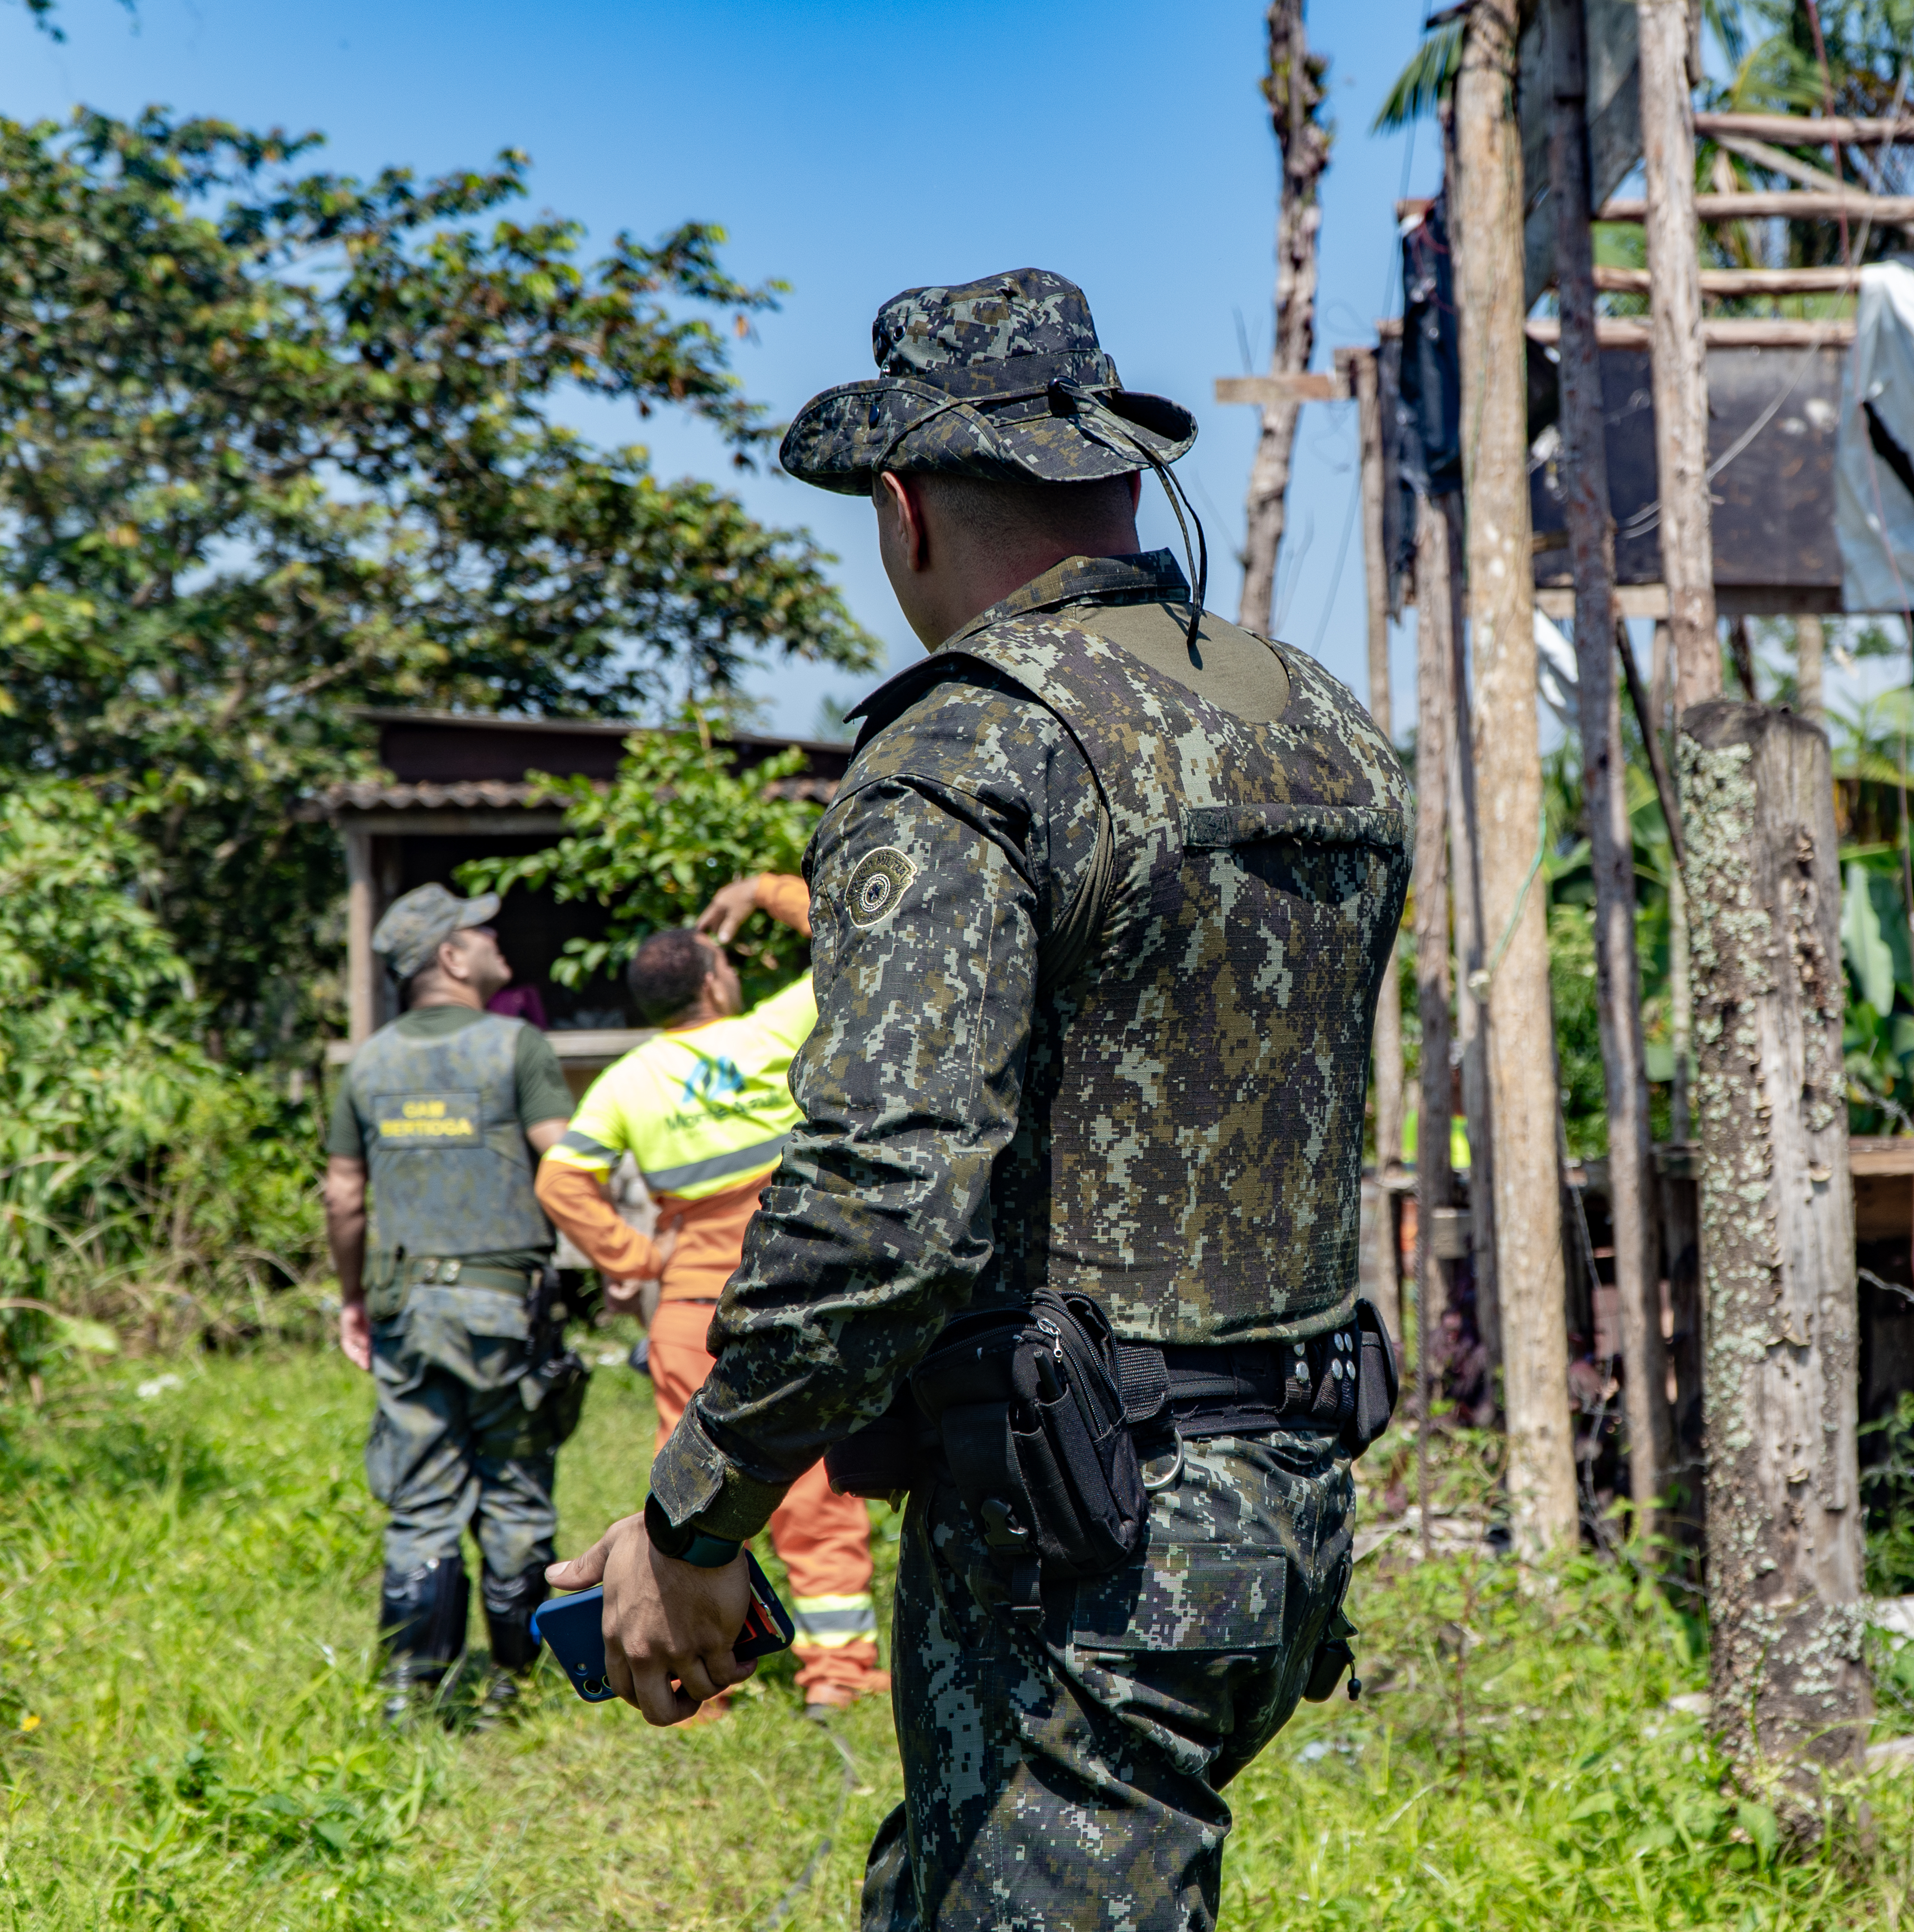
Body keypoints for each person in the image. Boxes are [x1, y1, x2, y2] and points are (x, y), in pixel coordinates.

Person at [547, 267, 1410, 1929]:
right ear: (1111, 469)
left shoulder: (970, 751)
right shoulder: (1322, 727)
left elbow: (884, 1201)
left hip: (1076, 1548)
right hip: (1281, 1502)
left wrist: (696, 1511)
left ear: (902, 504)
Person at [532, 874, 890, 1715]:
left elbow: (561, 1179)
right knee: (810, 1492)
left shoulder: (626, 1081)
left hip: (689, 1311)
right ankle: (837, 1675)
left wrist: (639, 1257)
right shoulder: (771, 1031)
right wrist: (764, 891)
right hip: (787, 1296)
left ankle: (702, 1680)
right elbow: (864, 930)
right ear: (715, 982)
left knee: (684, 1498)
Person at [323, 882, 577, 1722]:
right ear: (451, 956)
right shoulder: (516, 1046)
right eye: (480, 927)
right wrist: (624, 1264)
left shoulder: (368, 1062)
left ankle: (407, 1690)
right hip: (505, 1314)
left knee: (422, 1496)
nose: (496, 934)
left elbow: (343, 1197)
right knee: (514, 1491)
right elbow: (565, 1167)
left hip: (406, 1311)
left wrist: (354, 1298)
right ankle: (515, 1685)